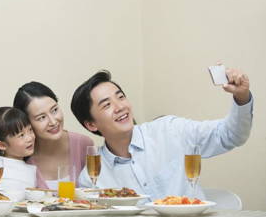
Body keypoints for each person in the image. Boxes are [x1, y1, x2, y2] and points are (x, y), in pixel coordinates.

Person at [71, 67, 253, 201]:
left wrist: (242, 97)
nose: (120, 107)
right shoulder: (92, 178)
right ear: (91, 124)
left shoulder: (169, 130)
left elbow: (231, 135)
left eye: (120, 97)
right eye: (107, 105)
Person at [13, 82, 94, 190]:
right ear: (27, 124)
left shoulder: (83, 144)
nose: (53, 121)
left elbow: (94, 192)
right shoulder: (20, 154)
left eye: (54, 110)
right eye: (41, 117)